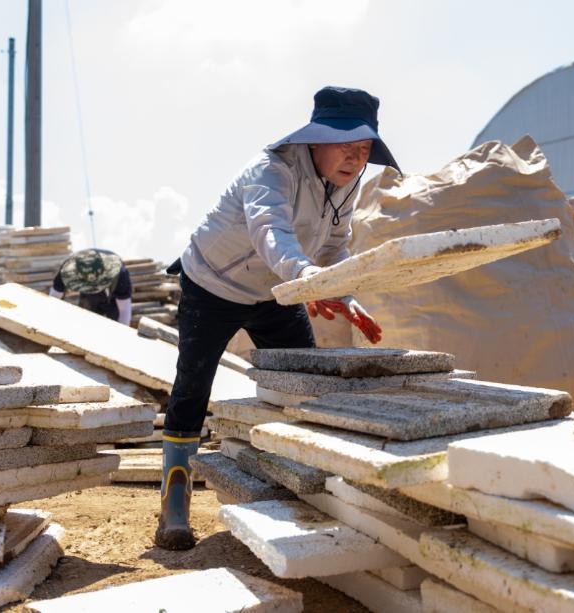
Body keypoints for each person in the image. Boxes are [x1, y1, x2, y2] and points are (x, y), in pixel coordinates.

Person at [155, 86, 400, 550]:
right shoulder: (270, 171)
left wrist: (342, 292)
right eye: (344, 144)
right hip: (212, 284)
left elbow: (335, 245)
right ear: (316, 139)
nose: (354, 158)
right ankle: (175, 504)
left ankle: (298, 486)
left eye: (364, 147)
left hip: (274, 291)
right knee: (193, 386)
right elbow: (271, 232)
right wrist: (306, 279)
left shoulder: (347, 183)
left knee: (302, 380)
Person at [49, 248, 133, 325]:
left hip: (112, 295)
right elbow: (55, 296)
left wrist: (122, 332)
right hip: (88, 294)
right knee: (87, 320)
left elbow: (124, 311)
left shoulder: (120, 274)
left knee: (115, 319)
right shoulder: (67, 270)